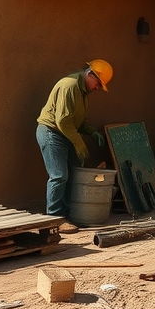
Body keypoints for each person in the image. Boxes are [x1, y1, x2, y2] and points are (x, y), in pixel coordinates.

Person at [36, 59, 112, 233]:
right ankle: (54, 220)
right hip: (52, 133)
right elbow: (62, 121)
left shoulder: (83, 93)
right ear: (90, 74)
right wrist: (79, 144)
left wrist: (92, 132)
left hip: (65, 135)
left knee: (70, 175)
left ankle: (67, 216)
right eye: (98, 83)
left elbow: (78, 121)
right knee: (59, 176)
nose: (98, 88)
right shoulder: (69, 86)